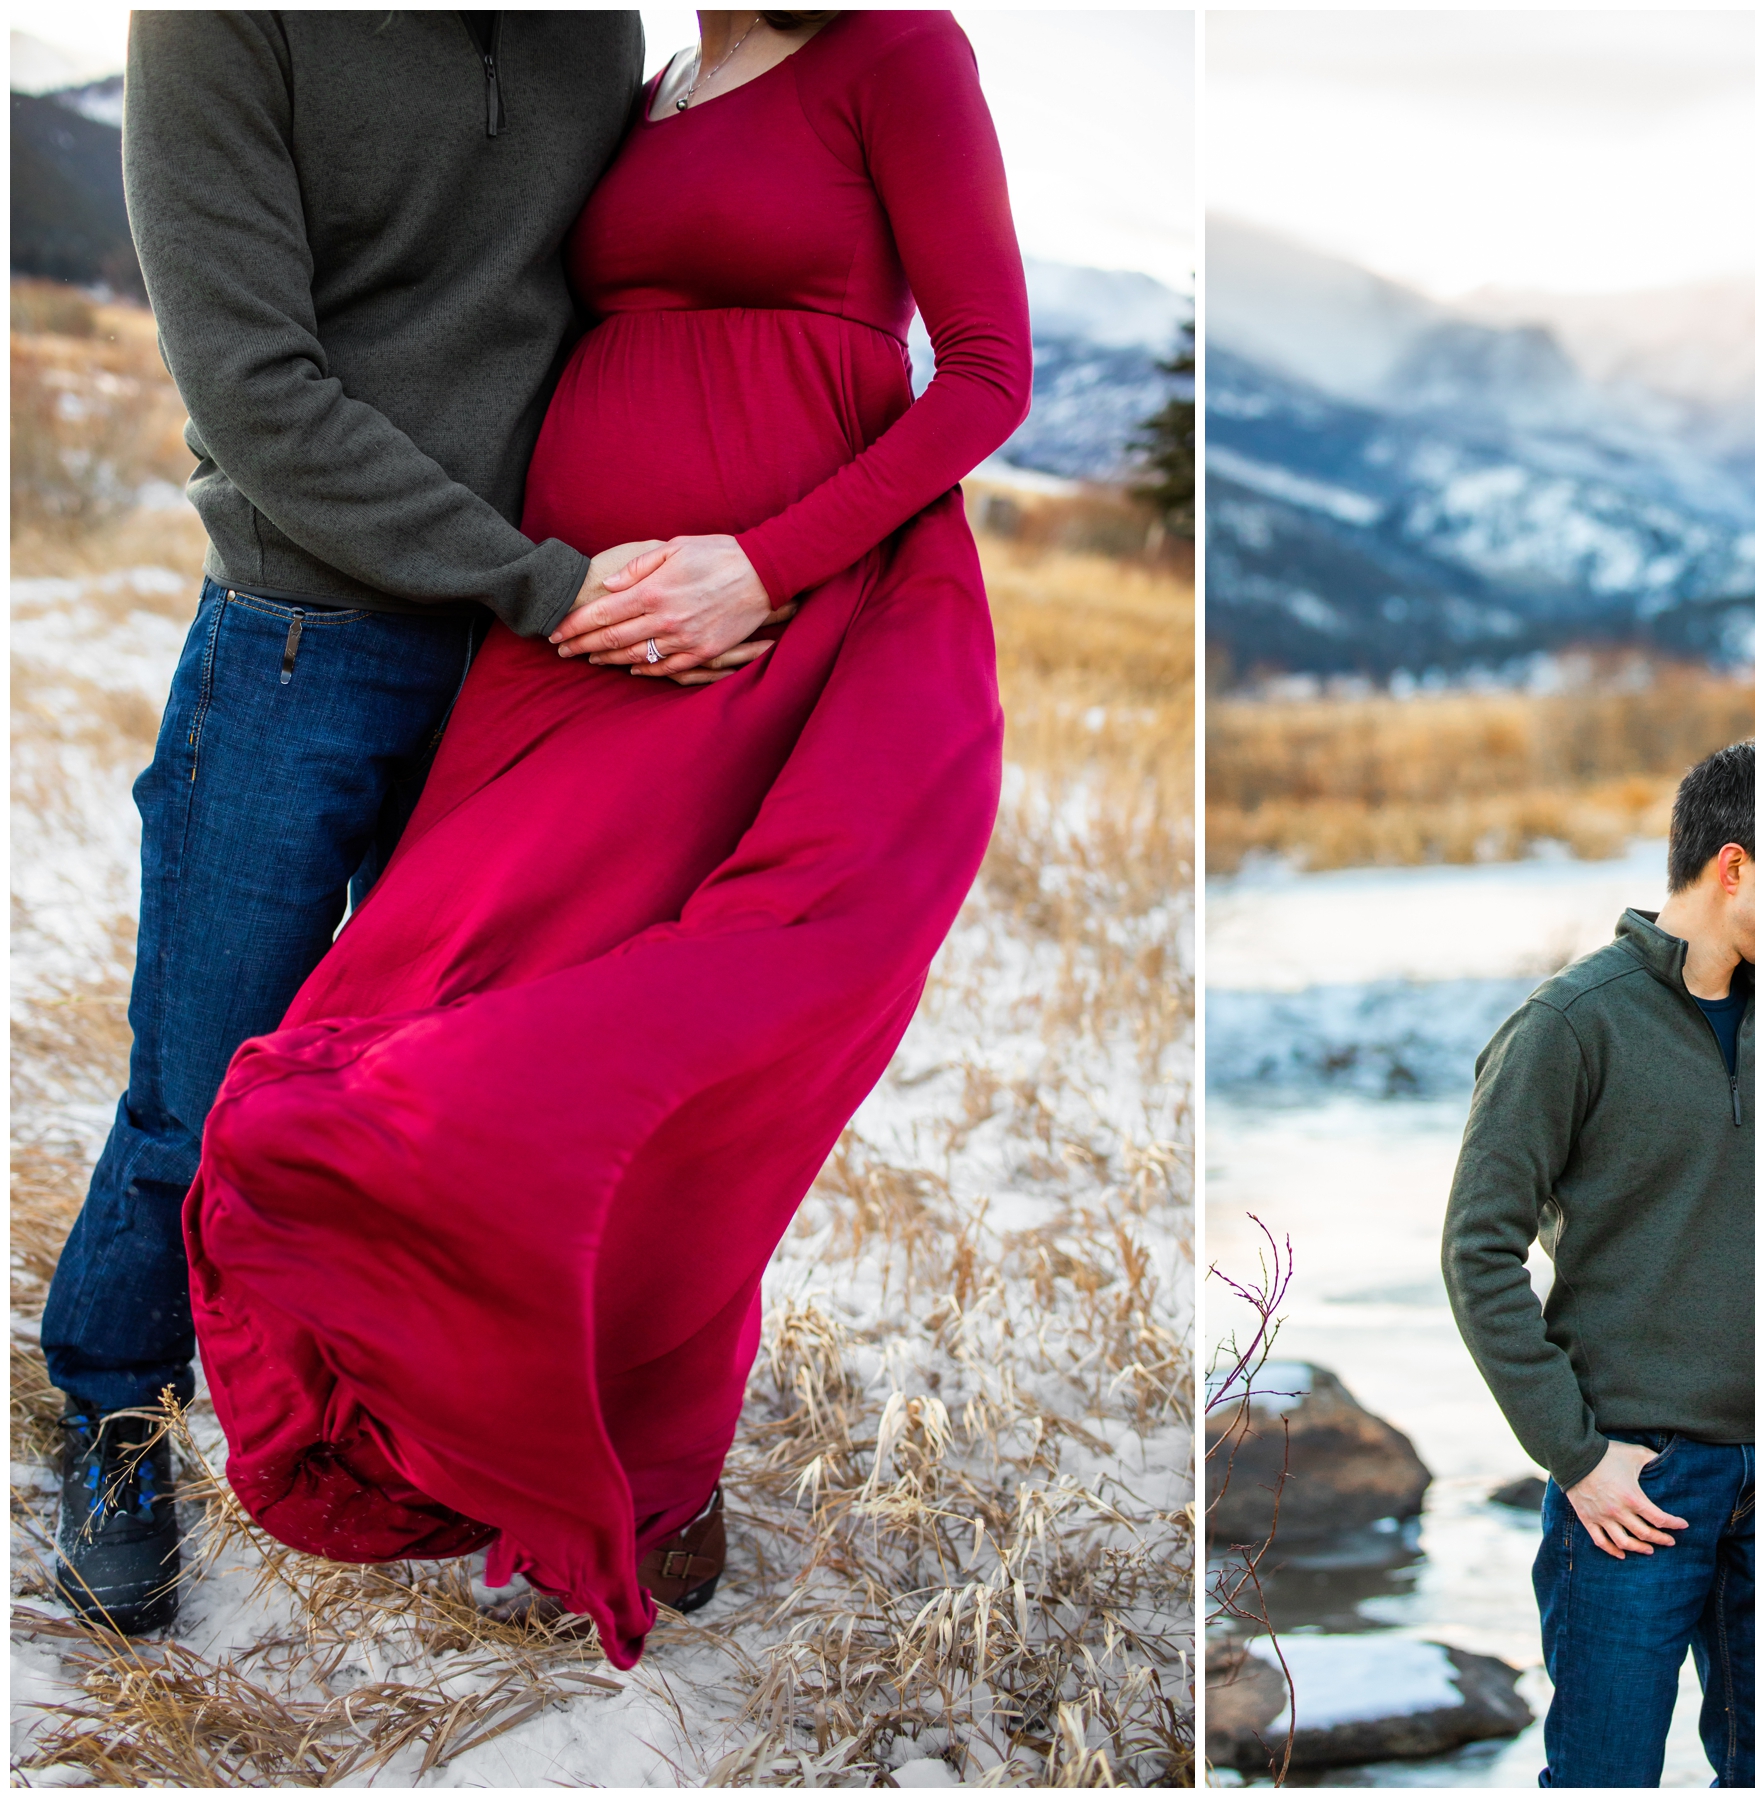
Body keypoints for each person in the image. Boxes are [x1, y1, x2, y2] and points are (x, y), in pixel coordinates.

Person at [180, 7, 1031, 1672]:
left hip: (749, 635)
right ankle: (478, 1423)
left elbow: (991, 373)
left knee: (629, 1057)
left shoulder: (900, 51)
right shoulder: (637, 79)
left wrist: (763, 564)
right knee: (440, 996)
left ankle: (653, 1476)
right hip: (566, 629)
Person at [43, 11, 663, 1637]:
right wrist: (540, 579)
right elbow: (256, 387)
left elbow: (614, 308)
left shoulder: (591, 33)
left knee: (451, 1093)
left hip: (528, 671)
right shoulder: (220, 23)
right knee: (202, 1083)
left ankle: (407, 1431)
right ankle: (110, 1411)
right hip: (301, 636)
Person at [1442, 738, 1755, 1788]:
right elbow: (1477, 1247)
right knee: (1603, 1775)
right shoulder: (1567, 1025)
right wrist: (1574, 1453)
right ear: (1731, 866)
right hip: (1635, 1485)